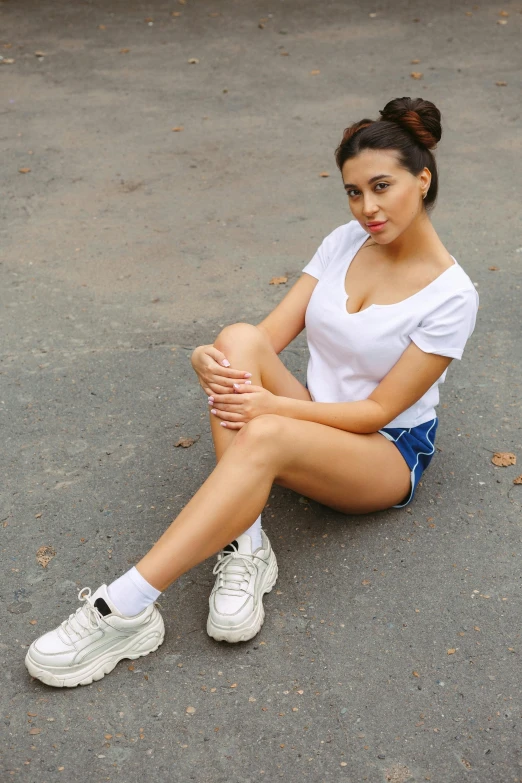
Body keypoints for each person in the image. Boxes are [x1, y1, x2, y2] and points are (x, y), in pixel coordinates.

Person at [25, 96, 479, 688]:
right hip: (311, 418)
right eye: (352, 191)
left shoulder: (452, 295)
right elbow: (263, 339)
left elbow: (378, 411)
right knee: (235, 338)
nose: (367, 207)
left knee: (263, 428)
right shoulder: (345, 241)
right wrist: (206, 358)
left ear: (422, 179)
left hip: (385, 451)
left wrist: (273, 408)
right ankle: (247, 546)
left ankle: (125, 607)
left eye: (381, 186)